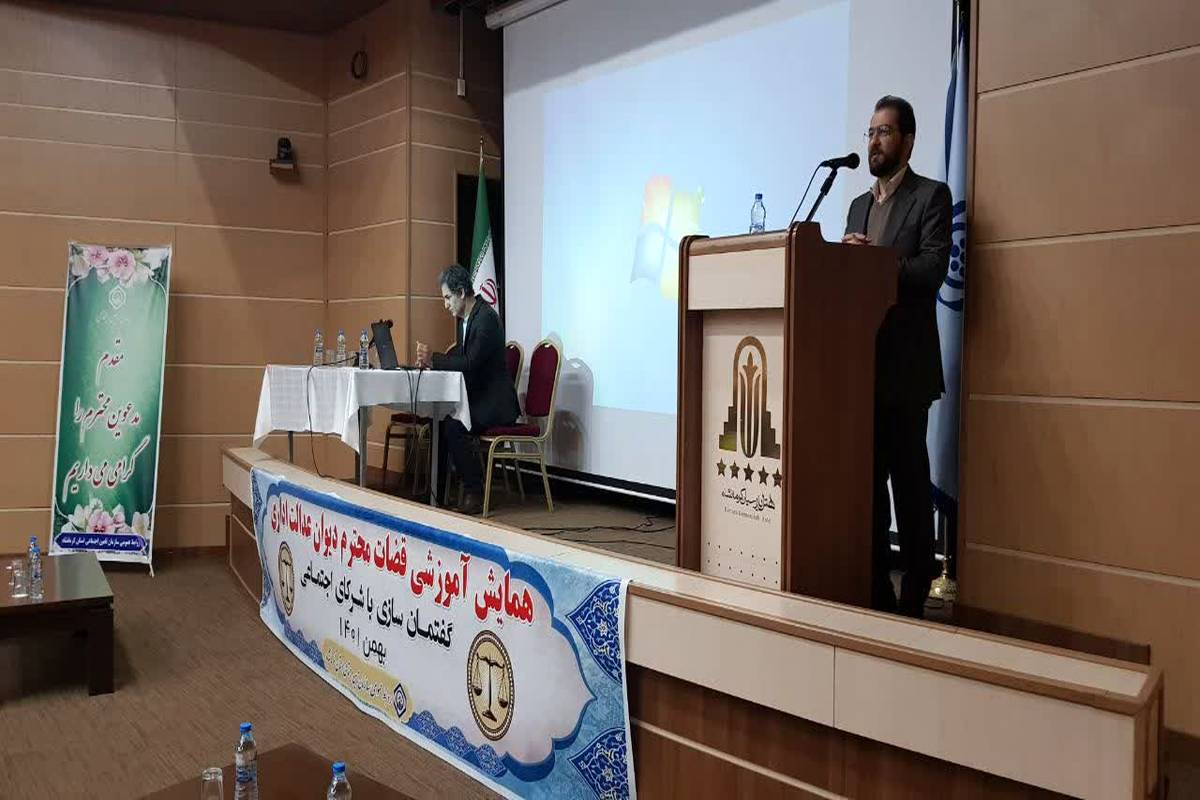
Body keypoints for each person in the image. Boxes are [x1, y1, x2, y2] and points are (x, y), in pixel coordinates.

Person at [842, 95, 952, 618]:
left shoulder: (931, 196)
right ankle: (875, 591)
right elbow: (847, 280)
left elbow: (931, 270)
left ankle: (914, 592)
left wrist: (874, 263)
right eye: (870, 133)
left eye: (884, 132)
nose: (874, 142)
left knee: (908, 487)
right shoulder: (857, 207)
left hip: (906, 371)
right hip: (860, 369)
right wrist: (840, 262)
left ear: (907, 141)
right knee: (866, 487)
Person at [415, 265, 519, 515]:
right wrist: (432, 363)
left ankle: (475, 492)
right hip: (478, 397)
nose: (445, 305)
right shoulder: (469, 319)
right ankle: (436, 491)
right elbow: (463, 362)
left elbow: (470, 364)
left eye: (447, 298)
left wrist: (433, 359)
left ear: (461, 292)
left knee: (455, 425)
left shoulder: (486, 319)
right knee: (439, 419)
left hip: (495, 404)